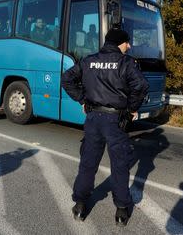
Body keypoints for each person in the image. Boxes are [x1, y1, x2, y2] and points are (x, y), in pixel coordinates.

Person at [61, 28, 149, 226]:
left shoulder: (88, 60)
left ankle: (80, 205)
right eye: (127, 42)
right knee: (119, 165)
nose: (129, 46)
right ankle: (121, 209)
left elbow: (67, 79)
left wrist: (83, 100)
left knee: (88, 163)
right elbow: (141, 86)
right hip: (115, 121)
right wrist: (131, 109)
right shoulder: (126, 62)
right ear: (120, 42)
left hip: (93, 118)